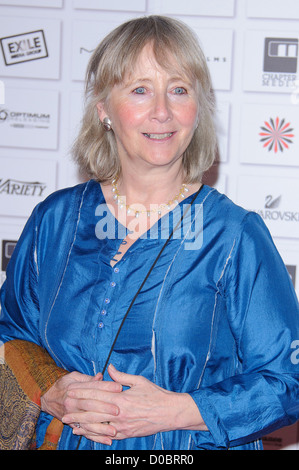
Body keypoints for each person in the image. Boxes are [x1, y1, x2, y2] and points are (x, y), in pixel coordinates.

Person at [0, 15, 298, 451]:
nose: (162, 111)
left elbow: (289, 379)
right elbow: (12, 337)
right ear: (103, 109)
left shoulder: (234, 235)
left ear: (198, 110)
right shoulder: (55, 219)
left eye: (179, 90)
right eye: (140, 89)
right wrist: (52, 391)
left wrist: (177, 410)